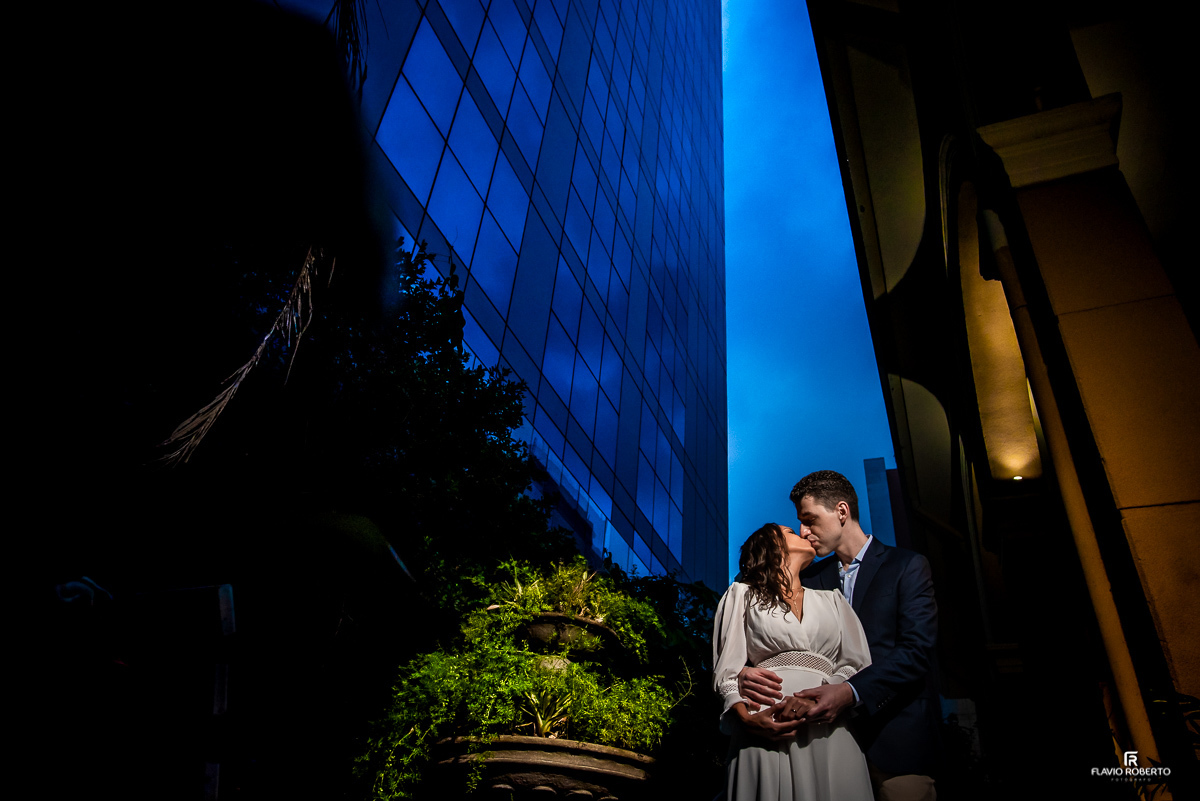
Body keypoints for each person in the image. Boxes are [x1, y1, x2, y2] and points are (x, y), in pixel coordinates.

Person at [740, 471, 940, 801]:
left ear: (842, 512)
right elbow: (756, 600)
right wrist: (746, 669)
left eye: (810, 520)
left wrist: (851, 692)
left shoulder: (907, 566)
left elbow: (916, 651)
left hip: (895, 744)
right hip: (818, 746)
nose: (804, 532)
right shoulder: (809, 577)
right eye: (800, 523)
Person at [713, 523, 874, 801]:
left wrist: (823, 696)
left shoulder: (833, 600)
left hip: (828, 726)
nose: (802, 532)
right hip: (765, 725)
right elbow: (726, 670)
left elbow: (856, 662)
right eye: (789, 531)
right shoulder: (741, 595)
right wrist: (747, 720)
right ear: (772, 547)